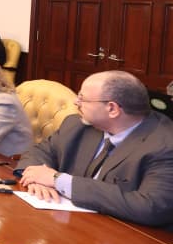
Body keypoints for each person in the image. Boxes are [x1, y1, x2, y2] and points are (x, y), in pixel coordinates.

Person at [17, 71, 173, 229]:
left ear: (112, 109)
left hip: (126, 234)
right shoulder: (77, 124)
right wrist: (37, 180)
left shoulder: (165, 145)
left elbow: (152, 207)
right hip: (68, 224)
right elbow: (39, 151)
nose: (75, 102)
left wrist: (59, 181)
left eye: (82, 98)